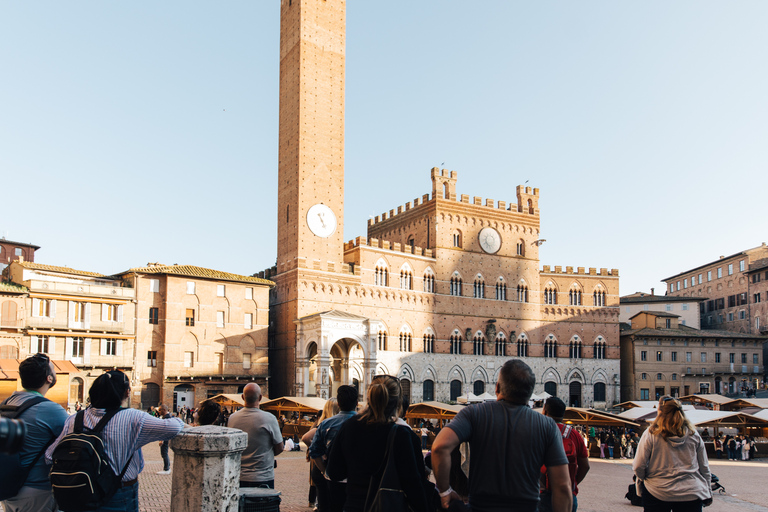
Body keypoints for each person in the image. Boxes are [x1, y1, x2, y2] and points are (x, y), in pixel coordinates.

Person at [432, 359, 571, 512]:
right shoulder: (547, 426)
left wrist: (445, 491)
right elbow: (563, 487)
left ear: (497, 387)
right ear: (530, 393)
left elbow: (440, 447)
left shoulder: (474, 413)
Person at [46, 370, 184, 512]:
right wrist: (177, 418)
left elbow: (49, 456)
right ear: (127, 393)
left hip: (79, 493)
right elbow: (174, 427)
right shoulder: (133, 418)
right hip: (118, 494)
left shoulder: (74, 419)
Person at [326, 376, 430, 512]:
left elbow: (334, 472)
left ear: (369, 399)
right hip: (389, 506)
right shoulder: (404, 435)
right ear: (398, 402)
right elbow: (414, 484)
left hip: (355, 506)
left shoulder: (350, 426)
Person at [0, 353, 67, 512]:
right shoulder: (51, 410)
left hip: (8, 488)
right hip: (36, 491)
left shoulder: (6, 403)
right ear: (49, 379)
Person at [633, 396, 712, 512]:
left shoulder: (651, 434)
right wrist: (708, 491)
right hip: (690, 491)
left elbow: (638, 466)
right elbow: (704, 467)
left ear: (659, 411)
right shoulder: (693, 434)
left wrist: (647, 479)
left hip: (658, 490)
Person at [309, 386, 358, 512]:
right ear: (357, 403)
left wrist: (325, 471)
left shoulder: (326, 424)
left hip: (333, 479)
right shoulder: (366, 423)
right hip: (357, 479)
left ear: (339, 404)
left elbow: (314, 451)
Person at [227, 383, 283, 488]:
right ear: (261, 397)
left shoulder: (232, 418)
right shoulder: (270, 418)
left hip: (239, 475)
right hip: (263, 476)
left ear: (242, 397)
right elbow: (280, 447)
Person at [539, 397, 590, 512]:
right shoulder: (575, 434)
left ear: (545, 412)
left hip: (543, 494)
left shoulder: (539, 431)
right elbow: (585, 466)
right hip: (568, 495)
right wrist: (573, 482)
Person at [302, 398, 340, 511]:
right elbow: (306, 437)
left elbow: (306, 438)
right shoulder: (327, 425)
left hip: (319, 469)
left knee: (323, 502)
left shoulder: (323, 424)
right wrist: (322, 453)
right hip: (326, 467)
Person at [156, 404, 172, 474]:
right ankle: (167, 467)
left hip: (165, 438)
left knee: (164, 453)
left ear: (164, 410)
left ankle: (166, 469)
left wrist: (161, 440)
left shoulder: (166, 418)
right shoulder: (168, 416)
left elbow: (165, 429)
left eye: (160, 410)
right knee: (165, 453)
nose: (158, 411)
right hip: (166, 437)